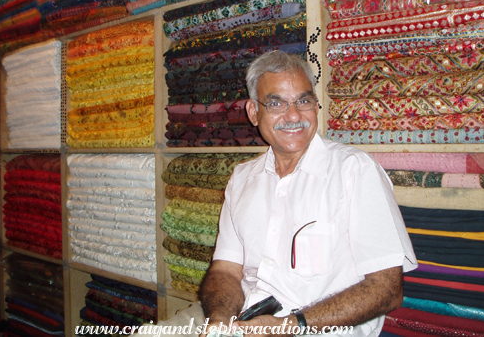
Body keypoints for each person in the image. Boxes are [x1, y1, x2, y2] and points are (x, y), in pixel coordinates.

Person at [134, 51, 417, 337]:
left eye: (303, 101)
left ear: (317, 106)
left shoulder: (354, 170)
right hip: (241, 318)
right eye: (276, 103)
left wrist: (291, 325)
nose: (293, 115)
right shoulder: (243, 178)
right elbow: (226, 271)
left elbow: (387, 289)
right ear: (254, 112)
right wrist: (220, 320)